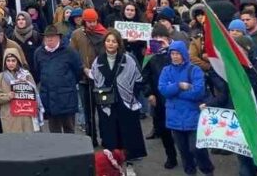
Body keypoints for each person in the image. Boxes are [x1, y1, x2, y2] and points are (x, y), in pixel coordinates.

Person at [90, 29, 147, 169]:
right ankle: (114, 166)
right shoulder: (98, 61)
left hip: (126, 102)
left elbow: (138, 80)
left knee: (128, 135)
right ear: (104, 43)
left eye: (113, 41)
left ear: (118, 43)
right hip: (107, 103)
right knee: (111, 136)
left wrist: (129, 93)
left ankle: (129, 164)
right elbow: (95, 80)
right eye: (108, 41)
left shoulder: (128, 59)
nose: (110, 44)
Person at [158, 41, 212, 175]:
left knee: (197, 148)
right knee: (183, 151)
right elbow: (163, 90)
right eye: (172, 54)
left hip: (193, 115)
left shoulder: (194, 70)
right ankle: (190, 172)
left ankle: (207, 170)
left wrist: (175, 93)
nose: (175, 57)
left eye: (178, 54)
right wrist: (179, 85)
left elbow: (198, 92)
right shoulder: (166, 70)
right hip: (174, 117)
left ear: (184, 54)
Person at [33, 25, 82, 133]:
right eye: (47, 37)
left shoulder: (70, 52)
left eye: (52, 37)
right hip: (49, 97)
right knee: (54, 131)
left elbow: (78, 71)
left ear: (59, 37)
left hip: (67, 98)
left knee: (69, 129)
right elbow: (37, 72)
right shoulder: (38, 53)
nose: (49, 39)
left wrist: (68, 84)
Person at [142, 26, 178, 169]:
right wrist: (149, 93)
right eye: (155, 38)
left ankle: (188, 155)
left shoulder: (175, 52)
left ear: (168, 38)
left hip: (177, 97)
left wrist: (168, 51)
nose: (157, 41)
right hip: (159, 98)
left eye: (160, 38)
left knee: (182, 129)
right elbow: (145, 76)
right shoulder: (151, 55)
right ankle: (171, 156)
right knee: (164, 129)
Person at [0, 46, 42, 133]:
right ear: (5, 62)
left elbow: (35, 94)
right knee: (12, 144)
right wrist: (8, 96)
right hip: (9, 117)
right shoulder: (1, 77)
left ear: (18, 61)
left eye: (13, 61)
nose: (10, 63)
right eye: (8, 61)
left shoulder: (26, 75)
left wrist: (26, 84)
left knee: (26, 142)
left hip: (26, 117)